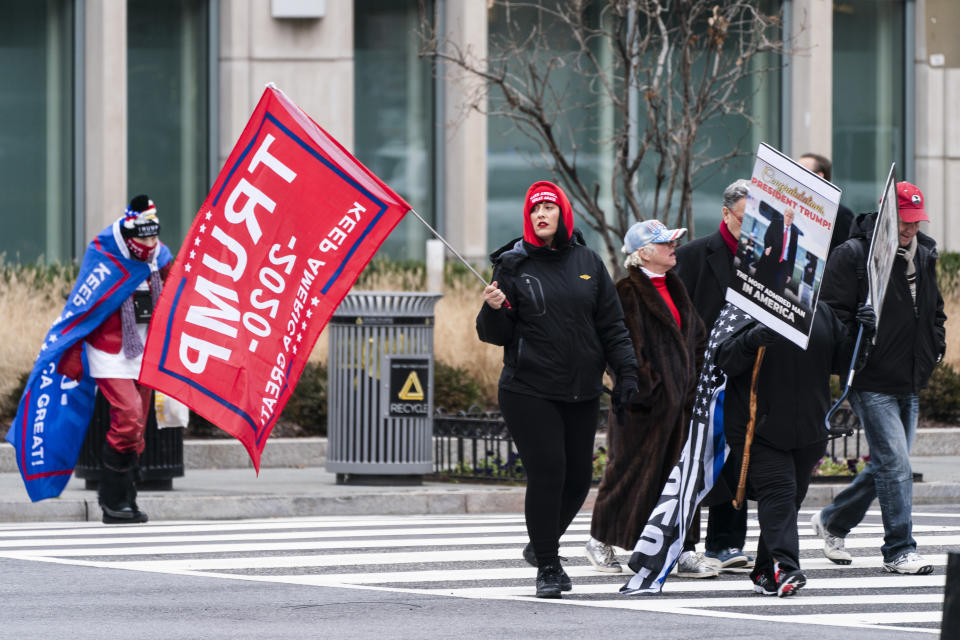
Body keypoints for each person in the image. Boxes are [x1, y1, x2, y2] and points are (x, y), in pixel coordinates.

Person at [475, 180, 639, 599]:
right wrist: (492, 309)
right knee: (548, 472)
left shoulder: (588, 260)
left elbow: (611, 326)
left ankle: (540, 540)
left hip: (581, 389)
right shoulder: (513, 264)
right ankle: (548, 565)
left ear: (563, 213)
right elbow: (494, 335)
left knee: (579, 480)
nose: (540, 214)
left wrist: (628, 374)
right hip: (528, 388)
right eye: (534, 209)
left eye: (548, 207)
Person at [810, 182, 947, 575]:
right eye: (904, 222)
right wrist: (857, 325)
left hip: (910, 376)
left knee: (889, 464)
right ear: (888, 215)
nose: (910, 230)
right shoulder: (853, 253)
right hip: (871, 378)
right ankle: (899, 550)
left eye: (916, 222)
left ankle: (834, 520)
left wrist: (935, 347)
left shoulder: (924, 252)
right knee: (896, 467)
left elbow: (934, 309)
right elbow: (830, 315)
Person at [716, 301, 872, 597]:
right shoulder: (748, 306)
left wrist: (862, 335)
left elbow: (844, 363)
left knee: (788, 502)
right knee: (780, 492)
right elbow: (725, 360)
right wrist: (752, 339)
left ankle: (765, 571)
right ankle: (786, 567)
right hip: (758, 428)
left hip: (810, 428)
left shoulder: (822, 312)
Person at [586, 219, 707, 576]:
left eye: (672, 242)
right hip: (643, 407)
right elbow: (619, 348)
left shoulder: (676, 287)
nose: (674, 247)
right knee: (627, 476)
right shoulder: (627, 292)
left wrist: (693, 384)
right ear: (643, 253)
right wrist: (646, 389)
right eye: (665, 243)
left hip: (680, 405)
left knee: (681, 478)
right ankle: (600, 539)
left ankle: (682, 546)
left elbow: (697, 339)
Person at [57, 195, 172, 524]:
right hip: (109, 350)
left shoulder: (159, 257)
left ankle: (126, 499)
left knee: (138, 429)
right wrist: (73, 351)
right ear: (129, 235)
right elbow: (83, 305)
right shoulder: (105, 255)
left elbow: (181, 288)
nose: (150, 243)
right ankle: (111, 499)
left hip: (146, 348)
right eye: (143, 237)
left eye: (154, 236)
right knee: (129, 417)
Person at [673, 179, 753, 572]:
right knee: (699, 457)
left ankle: (726, 543)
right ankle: (685, 541)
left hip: (747, 372)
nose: (753, 227)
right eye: (745, 218)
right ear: (726, 214)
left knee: (737, 453)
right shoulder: (693, 255)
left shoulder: (766, 259)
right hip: (702, 374)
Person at [797, 153, 854, 254]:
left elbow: (847, 257)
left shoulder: (840, 215)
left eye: (801, 171)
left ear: (819, 176)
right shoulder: (793, 208)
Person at [755, 207, 799, 295]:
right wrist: (767, 246)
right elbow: (767, 236)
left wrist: (790, 273)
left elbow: (793, 254)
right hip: (772, 258)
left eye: (791, 217)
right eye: (787, 215)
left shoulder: (794, 233)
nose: (788, 218)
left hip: (784, 264)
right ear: (784, 215)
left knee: (777, 290)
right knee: (762, 283)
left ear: (793, 219)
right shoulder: (775, 223)